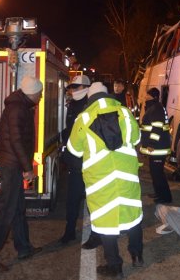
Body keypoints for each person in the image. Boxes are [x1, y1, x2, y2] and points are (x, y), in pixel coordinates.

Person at [67, 82, 144, 278]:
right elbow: (136, 139)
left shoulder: (83, 118)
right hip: (126, 176)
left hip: (100, 180)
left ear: (90, 98)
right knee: (133, 215)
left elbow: (74, 149)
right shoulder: (125, 113)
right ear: (107, 94)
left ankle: (115, 266)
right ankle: (137, 255)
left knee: (105, 222)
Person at [0, 75, 43, 274]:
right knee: (6, 211)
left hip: (12, 165)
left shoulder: (21, 106)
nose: (40, 97)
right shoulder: (17, 108)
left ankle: (24, 248)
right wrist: (27, 168)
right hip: (12, 166)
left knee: (18, 209)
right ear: (33, 92)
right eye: (39, 93)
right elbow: (16, 141)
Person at [57, 74, 99, 246]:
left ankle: (96, 234)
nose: (72, 90)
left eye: (76, 87)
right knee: (72, 199)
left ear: (86, 88)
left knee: (94, 201)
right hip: (75, 162)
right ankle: (70, 231)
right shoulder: (73, 105)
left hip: (90, 163)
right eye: (71, 88)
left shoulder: (92, 107)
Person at [139, 87, 173, 204]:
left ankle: (165, 197)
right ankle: (159, 193)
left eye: (147, 95)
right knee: (155, 173)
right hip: (158, 147)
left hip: (158, 147)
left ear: (153, 96)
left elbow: (157, 127)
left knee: (158, 174)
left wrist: (151, 144)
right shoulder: (154, 107)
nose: (145, 97)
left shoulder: (156, 108)